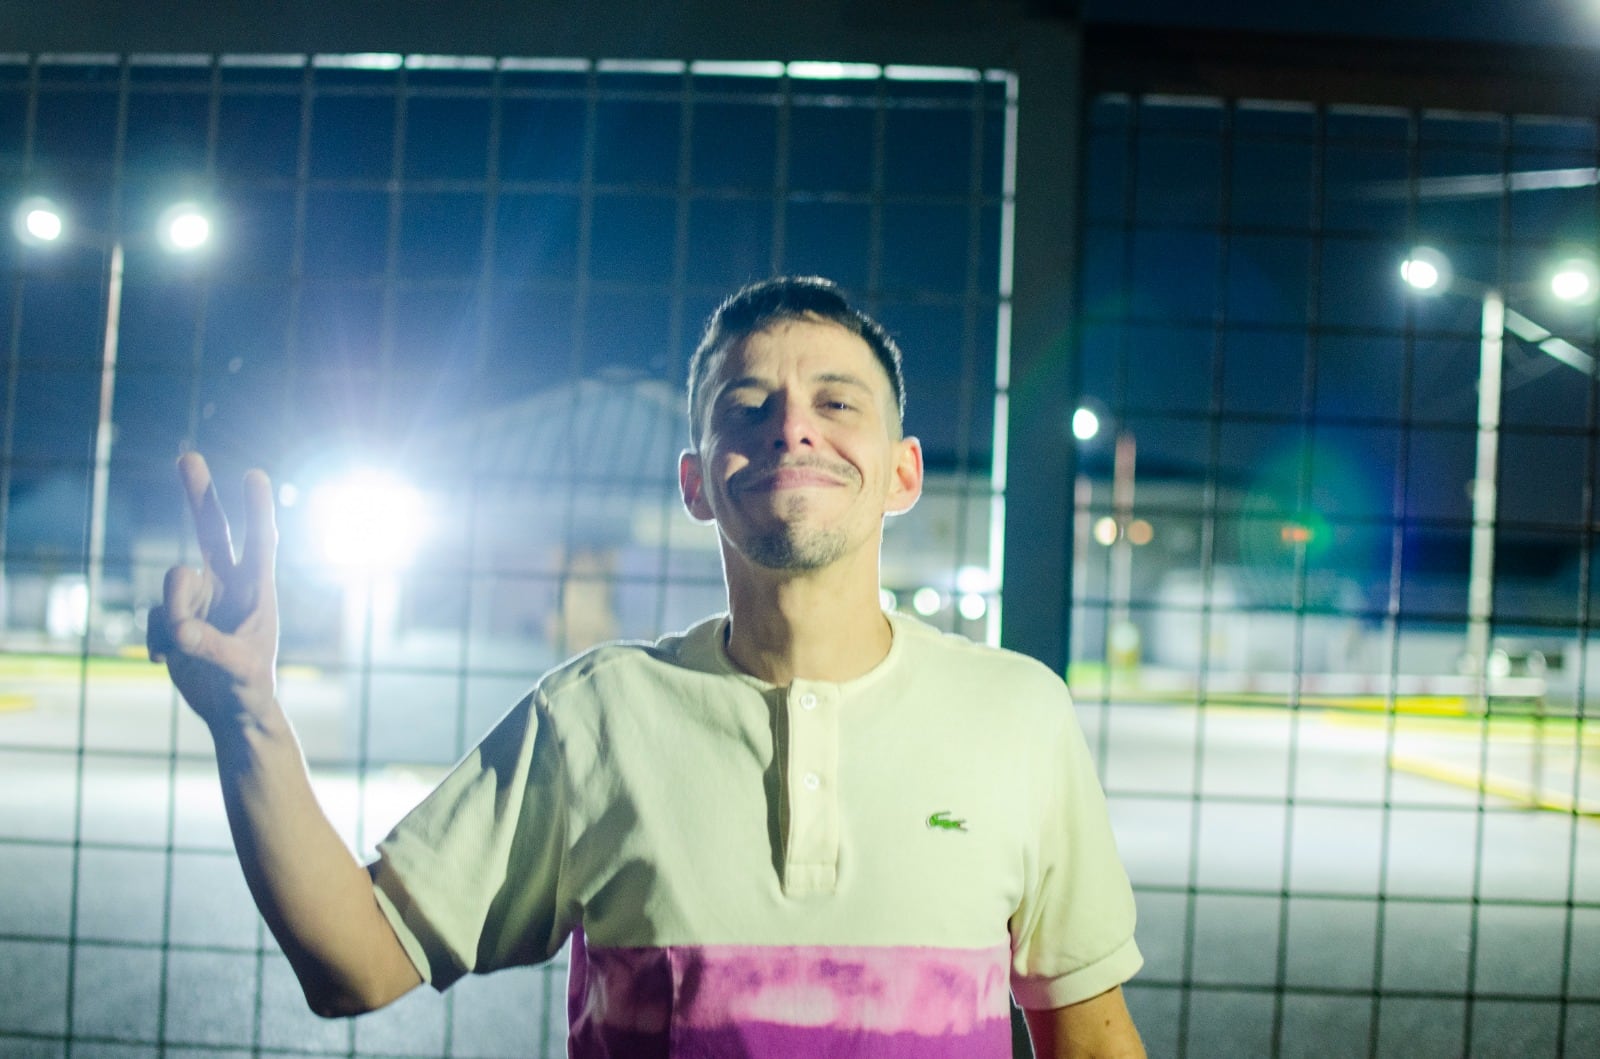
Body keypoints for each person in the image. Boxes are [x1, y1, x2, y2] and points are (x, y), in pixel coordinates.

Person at [149, 276, 1145, 1057]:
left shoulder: (1017, 713)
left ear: (902, 472)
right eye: (746, 406)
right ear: (696, 482)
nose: (790, 425)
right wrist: (249, 715)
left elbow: (1092, 1041)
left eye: (835, 401)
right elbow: (358, 964)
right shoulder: (595, 714)